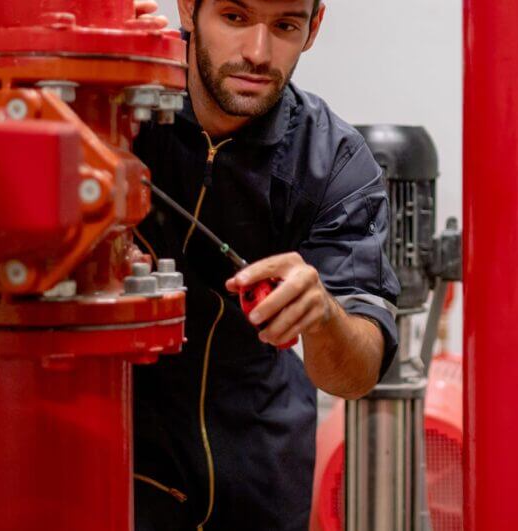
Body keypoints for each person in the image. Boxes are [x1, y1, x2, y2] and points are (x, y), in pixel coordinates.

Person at [127, 1, 400, 529]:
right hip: (125, 451)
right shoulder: (118, 101)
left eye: (284, 26)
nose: (257, 52)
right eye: (233, 16)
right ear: (188, 8)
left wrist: (324, 317)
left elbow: (356, 374)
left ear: (313, 28)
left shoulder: (333, 161)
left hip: (259, 470)